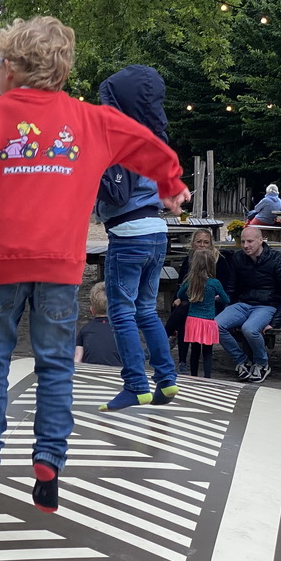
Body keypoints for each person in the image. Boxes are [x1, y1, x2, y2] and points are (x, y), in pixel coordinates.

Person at [0, 16, 188, 513]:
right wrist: (171, 183)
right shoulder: (91, 120)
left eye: (1, 62)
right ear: (61, 71)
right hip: (60, 267)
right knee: (53, 365)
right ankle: (49, 457)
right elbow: (150, 147)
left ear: (13, 69)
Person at [95, 65, 182, 412]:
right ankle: (166, 379)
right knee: (145, 310)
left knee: (120, 312)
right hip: (157, 231)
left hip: (128, 233)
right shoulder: (155, 136)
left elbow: (115, 193)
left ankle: (135, 384)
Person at [215, 226, 281, 383]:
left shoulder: (277, 259)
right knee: (216, 325)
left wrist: (275, 322)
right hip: (244, 304)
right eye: (243, 241)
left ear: (261, 240)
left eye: (250, 241)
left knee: (249, 329)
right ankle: (242, 361)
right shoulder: (238, 258)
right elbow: (231, 288)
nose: (246, 245)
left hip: (267, 305)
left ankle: (261, 363)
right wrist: (228, 312)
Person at [165, 229, 231, 373]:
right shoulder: (189, 260)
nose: (202, 245)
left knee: (184, 309)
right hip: (192, 303)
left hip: (211, 304)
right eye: (199, 241)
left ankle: (165, 338)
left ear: (211, 244)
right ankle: (182, 362)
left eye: (206, 242)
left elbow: (226, 288)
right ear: (193, 244)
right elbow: (181, 285)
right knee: (184, 310)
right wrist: (178, 297)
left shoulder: (219, 260)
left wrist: (215, 297)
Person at [176, 249, 229, 378]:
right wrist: (216, 298)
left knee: (194, 350)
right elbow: (226, 299)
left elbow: (179, 294)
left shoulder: (190, 281)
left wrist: (190, 296)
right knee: (207, 351)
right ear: (211, 265)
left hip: (193, 320)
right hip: (208, 320)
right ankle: (207, 377)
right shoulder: (214, 283)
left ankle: (194, 376)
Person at [74, 282, 121, 366]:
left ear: (92, 310)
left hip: (91, 373)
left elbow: (77, 359)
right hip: (117, 374)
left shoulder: (85, 330)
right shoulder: (122, 330)